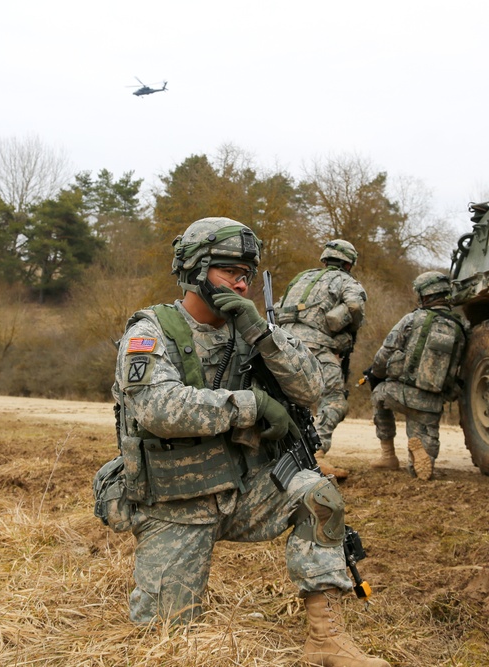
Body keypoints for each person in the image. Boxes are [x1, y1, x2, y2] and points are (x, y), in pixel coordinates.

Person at [111, 217, 387, 667]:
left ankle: (326, 641)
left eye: (246, 275)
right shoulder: (151, 331)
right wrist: (252, 406)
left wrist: (261, 331)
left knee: (317, 495)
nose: (240, 285)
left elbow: (312, 390)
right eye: (228, 272)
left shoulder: (251, 330)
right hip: (176, 503)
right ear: (197, 271)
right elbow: (158, 409)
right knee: (165, 641)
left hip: (242, 494)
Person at [275, 240, 366, 476]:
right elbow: (355, 306)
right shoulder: (346, 281)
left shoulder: (300, 278)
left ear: (324, 259)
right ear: (348, 263)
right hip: (315, 347)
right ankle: (315, 454)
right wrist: (347, 326)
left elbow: (278, 308)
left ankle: (279, 453)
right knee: (335, 400)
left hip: (281, 344)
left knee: (285, 400)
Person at [367, 271, 468, 480]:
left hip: (399, 394)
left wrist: (375, 375)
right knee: (421, 463)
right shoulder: (462, 329)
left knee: (378, 394)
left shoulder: (412, 319)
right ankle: (421, 458)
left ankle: (388, 455)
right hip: (431, 405)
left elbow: (384, 354)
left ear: (423, 296)